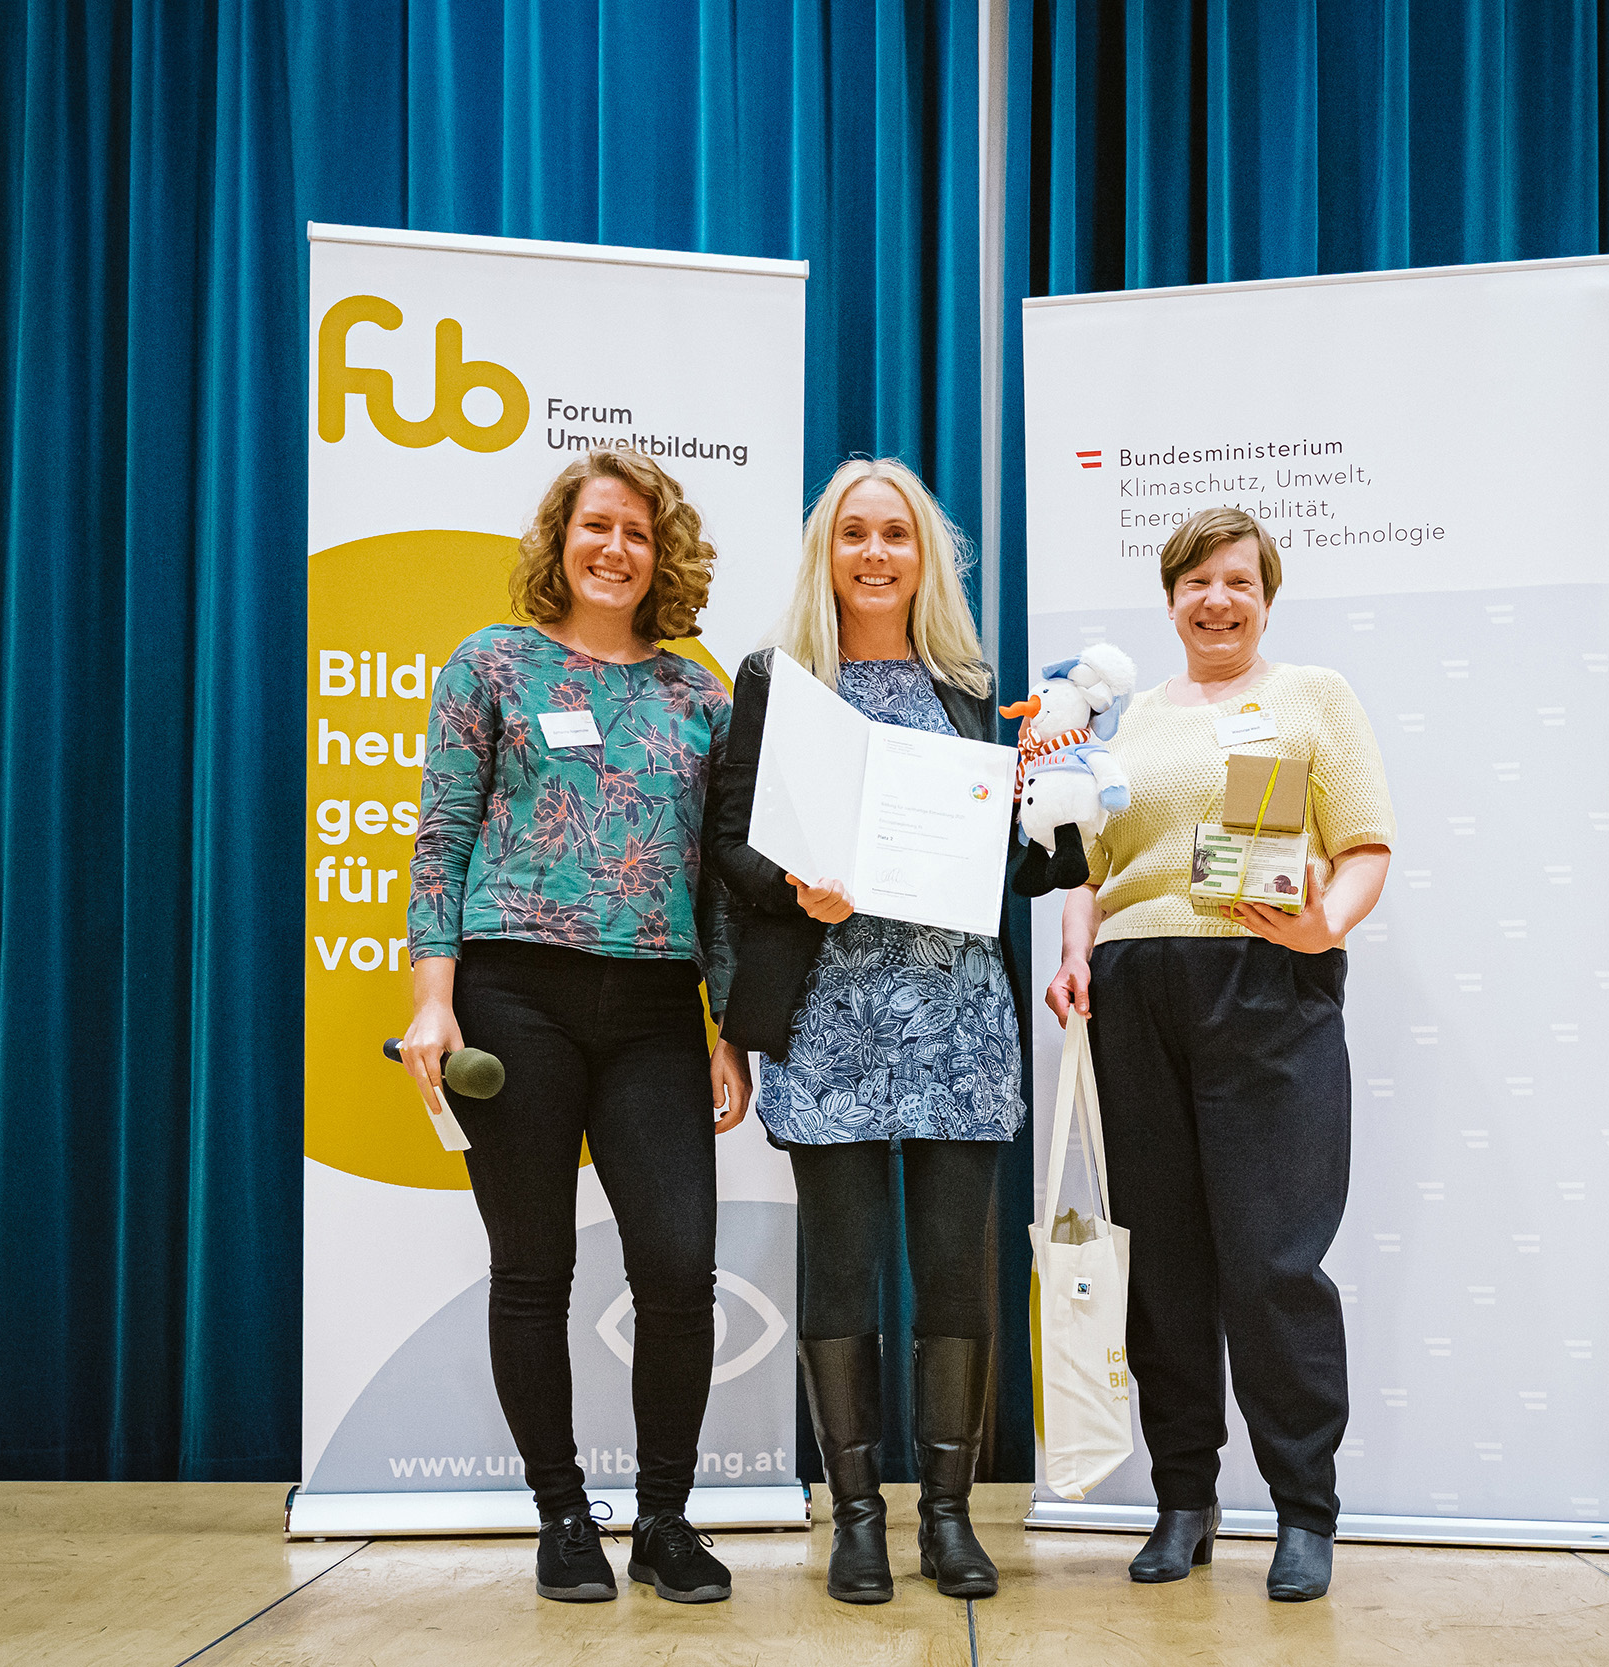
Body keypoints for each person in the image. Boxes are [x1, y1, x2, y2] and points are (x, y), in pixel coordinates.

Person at [397, 449, 751, 1608]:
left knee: (677, 1269)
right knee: (534, 1267)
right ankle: (562, 1515)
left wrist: (725, 1025)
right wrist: (433, 998)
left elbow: (715, 882)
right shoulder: (490, 663)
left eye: (638, 534)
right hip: (513, 993)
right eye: (596, 526)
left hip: (654, 1004)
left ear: (664, 555)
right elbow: (441, 841)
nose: (615, 549)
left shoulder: (702, 696)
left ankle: (663, 1519)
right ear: (560, 539)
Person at [1044, 504, 1393, 1603]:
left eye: (1237, 580)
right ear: (1169, 598)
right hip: (1138, 993)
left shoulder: (1310, 697)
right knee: (1168, 1267)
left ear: (1265, 594)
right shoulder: (1131, 717)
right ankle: (1183, 1498)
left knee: (1272, 1262)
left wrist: (1323, 924)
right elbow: (1088, 862)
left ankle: (1303, 1511)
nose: (1216, 599)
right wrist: (1073, 954)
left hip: (1265, 980)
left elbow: (1366, 845)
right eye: (1196, 582)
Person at [705, 457, 1026, 1604]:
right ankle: (855, 1520)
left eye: (896, 534)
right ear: (825, 553)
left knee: (955, 1273)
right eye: (855, 534)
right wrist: (795, 885)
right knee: (840, 1269)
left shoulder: (969, 685)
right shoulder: (777, 680)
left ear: (923, 554)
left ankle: (945, 1516)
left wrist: (1063, 803)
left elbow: (1012, 863)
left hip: (954, 1021)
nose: (876, 553)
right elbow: (727, 844)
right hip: (829, 1021)